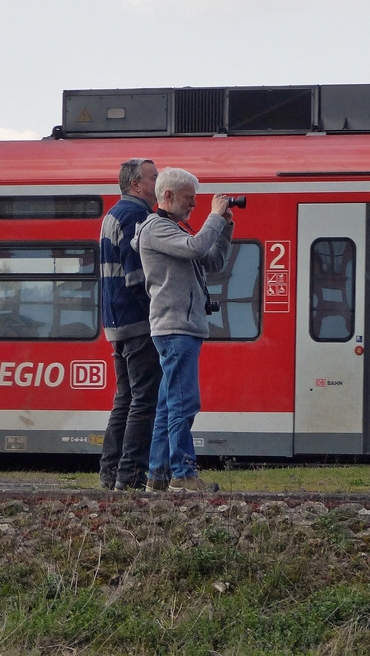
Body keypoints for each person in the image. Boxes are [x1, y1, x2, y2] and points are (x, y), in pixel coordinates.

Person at [135, 167, 234, 493]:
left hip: (182, 327)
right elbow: (195, 247)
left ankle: (158, 477)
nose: (194, 206)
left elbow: (213, 260)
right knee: (184, 403)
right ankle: (183, 475)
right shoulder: (157, 230)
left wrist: (226, 223)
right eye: (189, 200)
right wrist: (215, 217)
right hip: (176, 329)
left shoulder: (174, 231)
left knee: (168, 406)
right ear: (168, 196)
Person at [98, 158, 162, 490]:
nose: (158, 182)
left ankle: (110, 473)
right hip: (138, 323)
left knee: (125, 398)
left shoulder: (112, 214)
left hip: (116, 323)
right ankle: (132, 474)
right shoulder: (137, 216)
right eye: (154, 177)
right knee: (143, 400)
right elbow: (138, 277)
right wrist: (158, 314)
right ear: (136, 184)